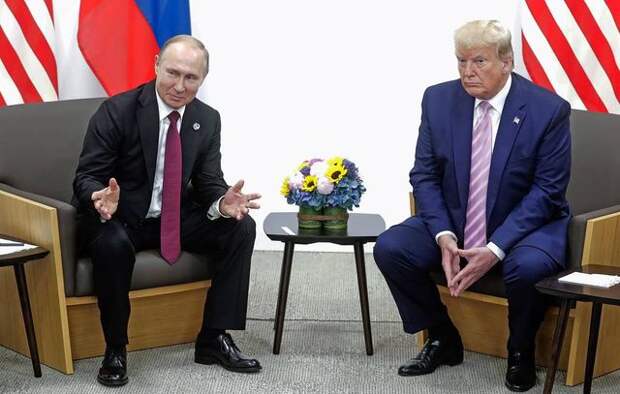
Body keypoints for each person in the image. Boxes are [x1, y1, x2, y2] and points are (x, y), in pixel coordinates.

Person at [373, 20, 570, 392]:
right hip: (459, 219)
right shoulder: (438, 99)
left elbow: (547, 191)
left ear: (507, 61)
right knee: (391, 247)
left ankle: (520, 351)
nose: (467, 72)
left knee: (527, 267)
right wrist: (443, 234)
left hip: (527, 224)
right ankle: (442, 336)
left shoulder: (548, 110)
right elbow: (425, 174)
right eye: (461, 61)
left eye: (479, 61)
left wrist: (496, 248)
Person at [72, 35, 262, 387]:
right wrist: (97, 196)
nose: (179, 85)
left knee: (240, 227)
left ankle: (213, 338)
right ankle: (115, 348)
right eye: (172, 73)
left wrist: (222, 201)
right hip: (119, 215)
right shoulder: (118, 110)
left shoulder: (207, 118)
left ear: (202, 79)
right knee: (111, 243)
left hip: (171, 217)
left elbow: (207, 180)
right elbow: (86, 175)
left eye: (191, 78)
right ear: (156, 63)